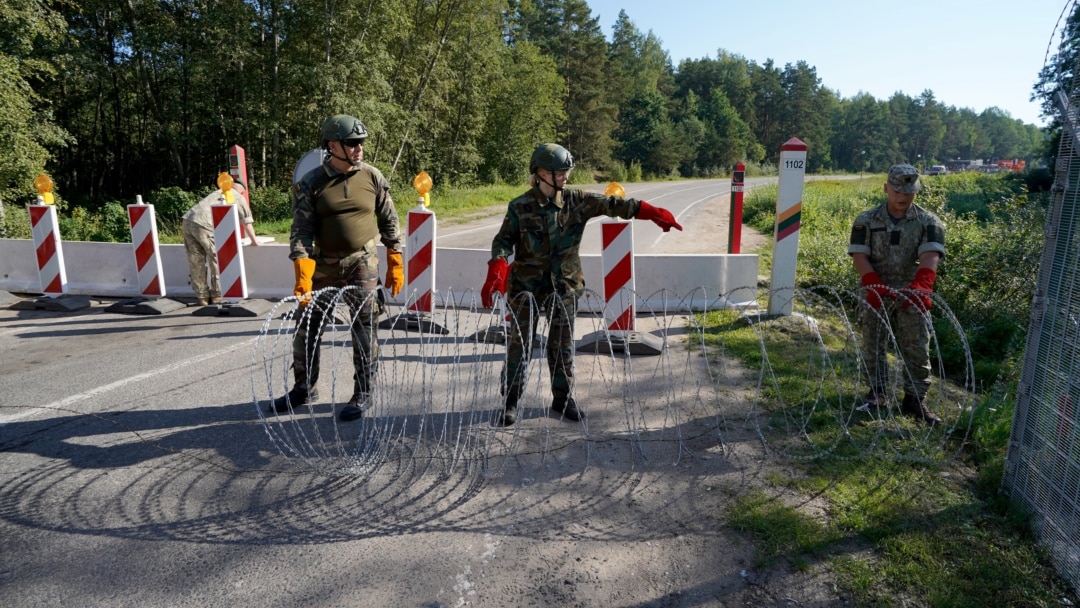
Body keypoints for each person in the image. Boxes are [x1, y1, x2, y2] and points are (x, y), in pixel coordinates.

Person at [481, 143, 684, 426]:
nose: (565, 176)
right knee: (519, 343)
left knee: (562, 344)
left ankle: (562, 399)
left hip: (564, 286)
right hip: (526, 288)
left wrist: (651, 212)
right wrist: (497, 269)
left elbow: (612, 204)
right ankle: (510, 401)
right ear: (540, 173)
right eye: (559, 172)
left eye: (566, 171)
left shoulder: (577, 201)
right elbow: (503, 241)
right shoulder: (519, 207)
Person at [272, 114, 404, 422]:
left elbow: (389, 220)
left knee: (364, 328)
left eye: (360, 143)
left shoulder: (372, 177)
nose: (359, 148)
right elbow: (301, 230)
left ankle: (364, 391)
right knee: (307, 327)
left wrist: (395, 259)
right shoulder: (312, 182)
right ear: (333, 146)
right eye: (352, 143)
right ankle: (304, 388)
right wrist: (303, 271)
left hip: (362, 262)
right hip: (324, 264)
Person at [848, 164, 944, 424]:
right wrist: (872, 283)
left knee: (917, 347)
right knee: (873, 344)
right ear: (886, 188)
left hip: (911, 291)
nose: (902, 197)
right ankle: (877, 392)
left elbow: (930, 255)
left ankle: (915, 399)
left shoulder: (928, 221)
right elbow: (859, 255)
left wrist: (922, 285)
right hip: (874, 288)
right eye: (897, 191)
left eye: (909, 192)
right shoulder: (866, 220)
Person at [181, 177, 259, 306]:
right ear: (242, 190)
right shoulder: (236, 196)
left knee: (196, 261)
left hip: (187, 221)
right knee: (216, 258)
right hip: (204, 225)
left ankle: (202, 297)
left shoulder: (217, 192)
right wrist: (254, 241)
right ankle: (217, 295)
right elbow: (246, 221)